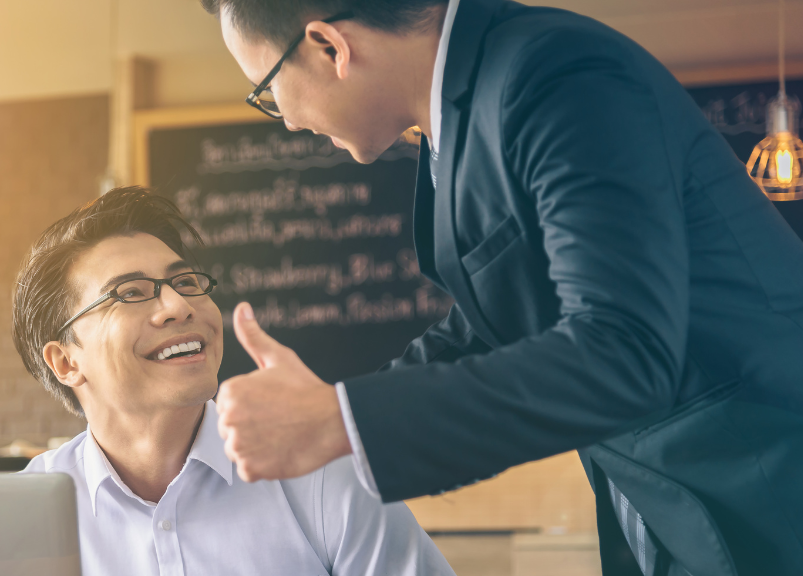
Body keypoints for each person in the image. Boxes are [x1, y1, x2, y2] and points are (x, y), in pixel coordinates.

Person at [203, 0, 803, 574]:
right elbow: (496, 318)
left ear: (329, 45)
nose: (285, 119)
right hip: (684, 510)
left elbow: (626, 352)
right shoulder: (460, 113)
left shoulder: (556, 74)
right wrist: (333, 412)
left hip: (767, 490)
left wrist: (344, 421)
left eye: (266, 89)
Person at [10, 187, 453, 576]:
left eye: (185, 281)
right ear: (65, 362)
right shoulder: (22, 514)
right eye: (130, 293)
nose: (179, 305)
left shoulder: (321, 472)